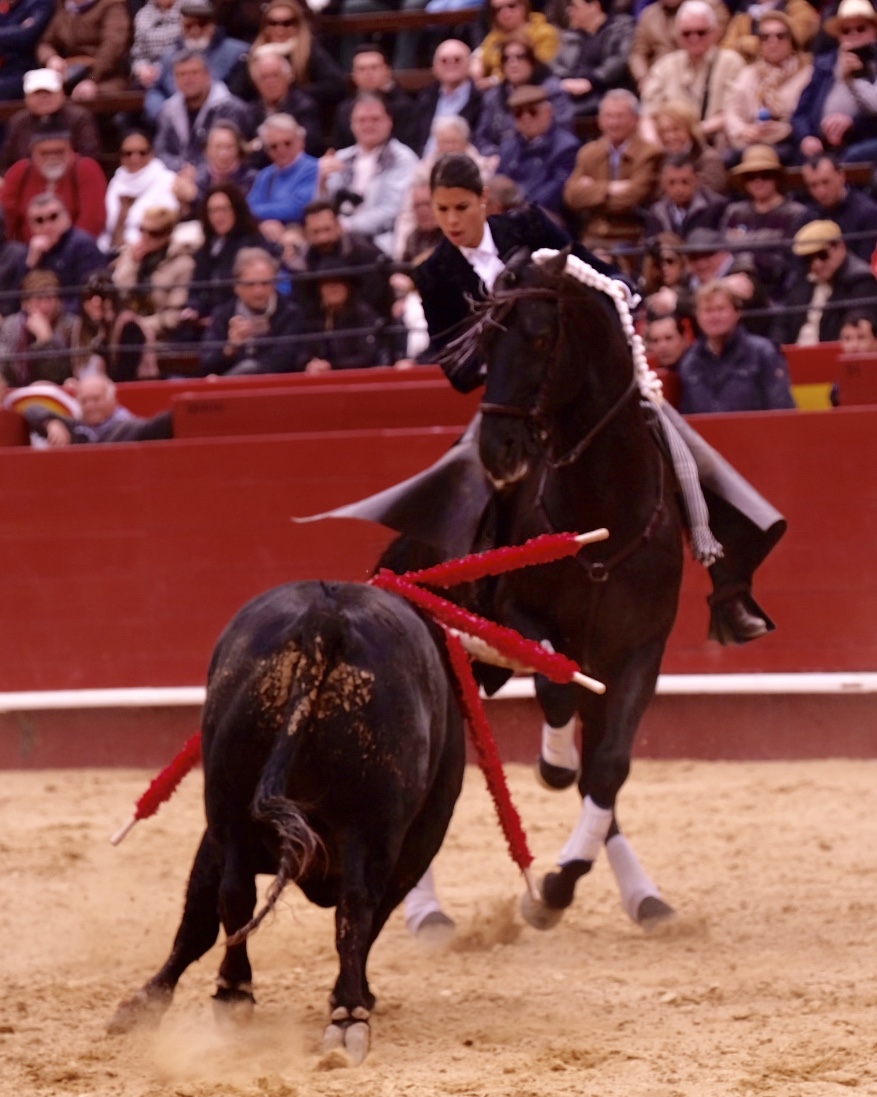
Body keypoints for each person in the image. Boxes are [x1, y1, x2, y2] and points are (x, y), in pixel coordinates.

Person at [562, 89, 663, 268]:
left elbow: (632, 198)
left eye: (620, 116)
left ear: (635, 119)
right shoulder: (588, 152)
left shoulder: (649, 153)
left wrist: (591, 190)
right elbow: (571, 196)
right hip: (592, 237)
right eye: (609, 116)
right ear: (600, 120)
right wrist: (610, 188)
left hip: (630, 237)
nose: (614, 123)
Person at [319, 94, 420, 256]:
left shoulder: (403, 159)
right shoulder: (340, 158)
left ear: (389, 122)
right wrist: (321, 183)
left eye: (375, 119)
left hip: (382, 240)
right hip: (337, 237)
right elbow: (321, 207)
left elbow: (392, 210)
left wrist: (345, 226)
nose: (368, 125)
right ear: (351, 124)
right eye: (362, 120)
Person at [640, 0, 746, 151]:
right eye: (687, 33)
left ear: (714, 32)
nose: (693, 38)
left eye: (701, 32)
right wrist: (653, 141)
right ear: (677, 35)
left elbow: (733, 113)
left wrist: (692, 133)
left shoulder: (731, 62)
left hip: (713, 144)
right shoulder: (664, 66)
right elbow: (648, 115)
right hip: (671, 147)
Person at [678, 278, 796, 412]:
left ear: (737, 313)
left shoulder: (763, 353)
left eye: (721, 309)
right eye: (708, 310)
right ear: (697, 316)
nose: (714, 316)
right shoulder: (690, 362)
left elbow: (782, 409)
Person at [719, 144, 809, 303]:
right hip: (734, 288)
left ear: (777, 177)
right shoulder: (733, 211)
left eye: (765, 175)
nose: (758, 181)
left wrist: (749, 260)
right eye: (751, 176)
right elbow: (723, 253)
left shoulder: (796, 213)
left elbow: (792, 261)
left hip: (776, 291)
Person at [181, 182, 276, 332]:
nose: (219, 216)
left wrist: (218, 317)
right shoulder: (205, 249)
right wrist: (194, 309)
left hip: (239, 318)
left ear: (236, 210)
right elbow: (197, 288)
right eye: (213, 211)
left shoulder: (252, 244)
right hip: (208, 317)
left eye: (224, 210)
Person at [792, 0, 877, 163]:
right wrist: (806, 137)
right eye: (846, 30)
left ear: (874, 31)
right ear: (839, 36)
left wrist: (853, 123)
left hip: (863, 139)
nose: (854, 34)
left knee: (854, 156)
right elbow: (800, 113)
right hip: (822, 142)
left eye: (861, 28)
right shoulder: (824, 64)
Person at [723, 11, 814, 163]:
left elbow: (810, 116)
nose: (773, 41)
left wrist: (787, 129)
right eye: (766, 37)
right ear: (760, 43)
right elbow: (732, 113)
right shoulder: (748, 73)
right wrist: (744, 130)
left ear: (792, 41)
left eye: (780, 36)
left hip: (789, 141)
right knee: (727, 158)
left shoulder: (807, 73)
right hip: (753, 141)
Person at [199, 246, 306, 374]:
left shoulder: (291, 313)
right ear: (237, 287)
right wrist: (230, 348)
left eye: (265, 283)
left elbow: (286, 359)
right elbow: (207, 363)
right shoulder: (222, 315)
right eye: (251, 284)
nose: (258, 291)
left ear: (275, 283)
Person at [771, 219, 877, 345]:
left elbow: (855, 333)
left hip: (831, 356)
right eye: (808, 258)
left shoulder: (860, 281)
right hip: (794, 356)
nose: (816, 264)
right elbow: (782, 324)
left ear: (840, 247)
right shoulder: (802, 280)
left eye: (822, 255)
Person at [230, 0, 346, 114]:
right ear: (265, 27)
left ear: (297, 25)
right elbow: (236, 93)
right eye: (273, 23)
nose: (280, 29)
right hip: (261, 117)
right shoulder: (255, 54)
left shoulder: (309, 51)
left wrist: (291, 95)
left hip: (300, 116)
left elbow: (336, 85)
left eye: (287, 23)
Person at [1, 119, 107, 244]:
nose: (52, 158)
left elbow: (93, 220)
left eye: (59, 152)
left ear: (71, 150)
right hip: (26, 252)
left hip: (76, 251)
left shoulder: (86, 169)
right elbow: (5, 219)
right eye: (44, 153)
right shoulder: (19, 172)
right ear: (32, 153)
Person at [472, 33, 575, 158]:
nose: (512, 63)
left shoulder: (552, 91)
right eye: (506, 58)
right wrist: (493, 154)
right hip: (502, 161)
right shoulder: (493, 97)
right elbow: (481, 137)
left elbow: (563, 130)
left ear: (531, 61)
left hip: (544, 157)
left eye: (520, 57)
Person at [142, 0, 248, 120]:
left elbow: (240, 95)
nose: (195, 31)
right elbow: (156, 89)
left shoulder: (237, 53)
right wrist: (161, 113)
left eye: (201, 25)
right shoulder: (168, 55)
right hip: (176, 120)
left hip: (222, 120)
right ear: (181, 26)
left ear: (213, 26)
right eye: (189, 26)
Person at [153, 48, 249, 173]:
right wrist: (182, 168)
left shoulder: (230, 109)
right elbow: (161, 151)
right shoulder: (168, 110)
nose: (188, 79)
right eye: (181, 74)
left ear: (208, 75)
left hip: (220, 179)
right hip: (177, 177)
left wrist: (196, 174)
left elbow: (230, 153)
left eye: (194, 73)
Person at [111, 206, 199, 341]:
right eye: (142, 230)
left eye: (154, 233)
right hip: (125, 332)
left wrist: (139, 326)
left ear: (167, 233)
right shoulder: (130, 254)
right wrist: (133, 264)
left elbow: (175, 314)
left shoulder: (183, 264)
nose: (145, 237)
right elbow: (116, 293)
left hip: (161, 337)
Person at [300, 199, 395, 323]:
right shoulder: (302, 264)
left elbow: (375, 300)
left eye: (327, 230)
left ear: (339, 226)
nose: (323, 238)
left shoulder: (366, 254)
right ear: (306, 234)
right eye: (316, 232)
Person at [495, 84, 581, 218]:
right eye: (518, 113)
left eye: (533, 111)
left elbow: (555, 194)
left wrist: (518, 205)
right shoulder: (508, 146)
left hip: (546, 218)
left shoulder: (566, 147)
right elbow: (497, 184)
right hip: (509, 214)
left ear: (549, 111)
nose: (526, 118)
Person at [0, 67, 101, 176]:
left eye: (49, 92)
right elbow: (8, 161)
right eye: (37, 93)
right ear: (26, 98)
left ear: (62, 93)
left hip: (72, 179)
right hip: (28, 182)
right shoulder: (18, 121)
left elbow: (90, 156)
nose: (44, 97)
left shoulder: (79, 117)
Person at [23, 373, 172, 445]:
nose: (89, 405)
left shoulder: (130, 427)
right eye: (84, 401)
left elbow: (160, 424)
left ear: (113, 401)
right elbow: (31, 408)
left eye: (96, 399)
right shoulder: (75, 427)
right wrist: (50, 422)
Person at [19, 193, 105, 312]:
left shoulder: (83, 245)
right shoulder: (32, 249)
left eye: (53, 217)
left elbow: (90, 296)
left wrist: (54, 312)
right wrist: (31, 262)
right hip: (37, 317)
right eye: (39, 220)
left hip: (74, 320)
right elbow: (17, 300)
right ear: (30, 225)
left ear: (67, 215)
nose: (47, 225)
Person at [550, 0, 636, 119]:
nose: (569, 11)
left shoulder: (621, 29)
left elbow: (619, 60)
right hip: (570, 95)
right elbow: (556, 65)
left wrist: (591, 81)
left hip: (606, 91)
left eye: (574, 6)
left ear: (594, 6)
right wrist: (563, 81)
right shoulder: (570, 37)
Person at [301, 262, 390, 373]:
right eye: (326, 283)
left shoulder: (363, 315)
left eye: (338, 282)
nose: (333, 288)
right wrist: (309, 363)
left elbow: (367, 357)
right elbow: (302, 353)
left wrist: (331, 365)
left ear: (348, 286)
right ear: (319, 289)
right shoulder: (313, 317)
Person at [101, 130, 179, 254]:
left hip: (146, 252)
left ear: (152, 153)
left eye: (142, 153)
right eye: (128, 153)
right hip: (108, 250)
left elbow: (162, 225)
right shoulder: (117, 181)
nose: (135, 158)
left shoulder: (166, 180)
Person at [70, 270, 156, 382]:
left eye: (103, 296)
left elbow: (126, 376)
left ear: (113, 298)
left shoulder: (129, 327)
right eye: (89, 296)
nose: (96, 302)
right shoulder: (80, 329)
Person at [330, 45, 419, 153]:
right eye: (362, 69)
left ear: (387, 71)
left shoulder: (404, 106)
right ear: (354, 75)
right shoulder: (344, 109)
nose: (368, 73)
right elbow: (339, 147)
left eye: (374, 67)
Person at [36, 0, 131, 99]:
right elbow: (45, 43)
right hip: (69, 74)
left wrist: (91, 79)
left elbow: (113, 47)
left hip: (105, 76)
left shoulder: (112, 5)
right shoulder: (64, 8)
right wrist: (51, 58)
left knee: (86, 97)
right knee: (38, 95)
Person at [240, 49, 324, 161]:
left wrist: (260, 145)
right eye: (264, 77)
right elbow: (244, 151)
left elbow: (308, 146)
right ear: (256, 82)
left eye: (275, 75)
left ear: (288, 77)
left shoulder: (304, 107)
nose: (270, 82)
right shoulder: (250, 112)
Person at [629, 0, 729, 90]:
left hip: (704, 74)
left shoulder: (712, 7)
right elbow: (638, 53)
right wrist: (643, 78)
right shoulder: (648, 15)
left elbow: (712, 41)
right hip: (660, 77)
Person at [247, 114, 320, 237]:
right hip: (266, 233)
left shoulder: (315, 168)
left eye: (287, 143)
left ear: (301, 141)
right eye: (274, 146)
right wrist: (265, 223)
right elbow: (247, 209)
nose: (281, 150)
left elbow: (298, 208)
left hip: (302, 234)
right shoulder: (265, 175)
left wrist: (262, 213)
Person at [0, 270, 74, 388]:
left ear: (58, 301)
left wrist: (45, 342)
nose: (45, 306)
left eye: (49, 298)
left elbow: (59, 376)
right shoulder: (11, 325)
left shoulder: (70, 326)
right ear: (26, 303)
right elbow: (4, 371)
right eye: (39, 299)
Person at [411, 40, 484, 158]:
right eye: (444, 61)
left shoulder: (482, 99)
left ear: (469, 63)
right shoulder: (425, 99)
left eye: (457, 59)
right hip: (424, 166)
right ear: (434, 67)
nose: (451, 64)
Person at [800, 153, 877, 264]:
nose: (821, 191)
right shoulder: (809, 216)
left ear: (841, 176)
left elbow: (867, 262)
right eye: (813, 185)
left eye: (826, 182)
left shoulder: (867, 213)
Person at [172, 121, 257, 220]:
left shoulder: (251, 178)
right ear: (207, 150)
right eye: (218, 147)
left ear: (238, 149)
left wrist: (195, 197)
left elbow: (234, 213)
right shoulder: (200, 177)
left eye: (229, 147)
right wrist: (183, 203)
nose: (223, 154)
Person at [471, 0, 560, 86]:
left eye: (511, 6)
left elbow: (538, 67)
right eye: (498, 9)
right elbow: (481, 56)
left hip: (535, 87)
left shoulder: (545, 33)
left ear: (524, 6)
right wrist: (476, 64)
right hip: (499, 92)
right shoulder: (494, 36)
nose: (505, 12)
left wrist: (495, 80)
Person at [651, 100, 727, 195]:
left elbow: (708, 197)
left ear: (690, 129)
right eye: (664, 131)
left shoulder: (709, 159)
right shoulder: (660, 159)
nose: (669, 137)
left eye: (676, 129)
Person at [645, 152, 727, 239]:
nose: (678, 189)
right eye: (671, 183)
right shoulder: (657, 211)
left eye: (685, 182)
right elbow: (650, 244)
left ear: (697, 180)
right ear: (663, 183)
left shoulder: (716, 207)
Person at [721, 0, 818, 64]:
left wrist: (744, 44)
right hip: (749, 75)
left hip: (790, 72)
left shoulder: (800, 9)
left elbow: (792, 41)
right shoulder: (744, 15)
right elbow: (726, 50)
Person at [0, 0, 54, 102]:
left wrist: (19, 32)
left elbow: (27, 36)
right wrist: (18, 29)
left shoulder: (40, 3)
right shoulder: (4, 8)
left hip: (28, 70)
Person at [130, 0, 183, 94]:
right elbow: (138, 54)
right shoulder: (143, 14)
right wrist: (142, 69)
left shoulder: (192, 7)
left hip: (182, 69)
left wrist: (162, 69)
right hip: (151, 78)